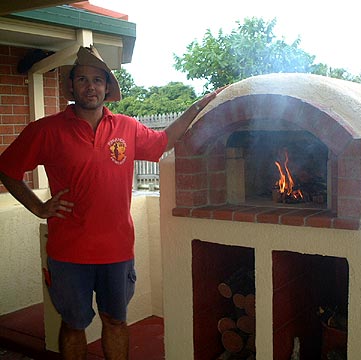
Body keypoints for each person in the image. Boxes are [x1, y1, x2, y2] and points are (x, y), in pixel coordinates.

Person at [0, 45, 223, 360]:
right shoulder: (47, 130)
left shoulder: (127, 128)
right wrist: (38, 207)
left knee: (116, 321)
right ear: (72, 86)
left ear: (107, 87)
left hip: (116, 251)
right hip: (68, 252)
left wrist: (197, 106)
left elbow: (163, 142)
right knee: (74, 324)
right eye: (82, 79)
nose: (90, 87)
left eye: (97, 80)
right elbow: (7, 169)